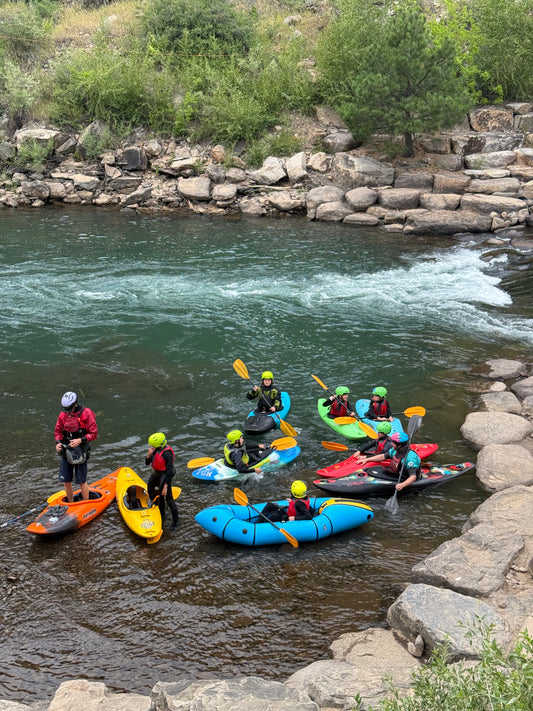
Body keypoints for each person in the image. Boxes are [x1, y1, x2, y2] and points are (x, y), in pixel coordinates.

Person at [54, 391, 98, 502]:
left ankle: (86, 502)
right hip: (66, 450)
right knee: (66, 480)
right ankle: (70, 502)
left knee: (81, 481)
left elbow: (94, 434)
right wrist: (58, 443)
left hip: (80, 451)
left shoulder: (86, 413)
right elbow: (58, 431)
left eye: (69, 409)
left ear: (75, 405)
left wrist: (80, 440)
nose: (67, 412)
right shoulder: (63, 414)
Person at [145, 432, 179, 528]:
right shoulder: (154, 450)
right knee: (150, 489)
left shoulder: (167, 454)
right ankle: (161, 513)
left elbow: (169, 471)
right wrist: (148, 454)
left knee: (168, 498)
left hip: (165, 475)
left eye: (152, 445)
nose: (151, 446)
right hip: (156, 473)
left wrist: (165, 486)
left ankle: (175, 522)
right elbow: (147, 463)